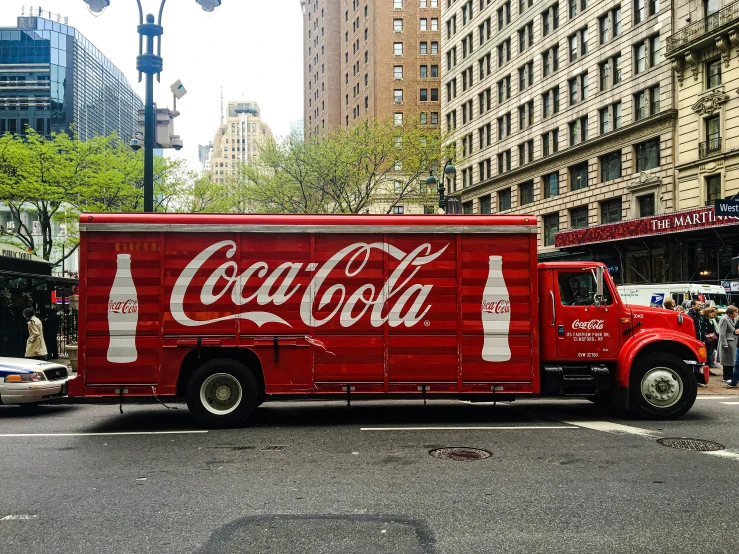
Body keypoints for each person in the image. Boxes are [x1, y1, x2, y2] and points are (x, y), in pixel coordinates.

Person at [687, 300, 709, 386]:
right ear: (693, 306)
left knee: (700, 361)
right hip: (694, 340)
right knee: (694, 361)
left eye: (701, 305)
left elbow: (702, 328)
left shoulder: (700, 316)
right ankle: (694, 380)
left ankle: (697, 379)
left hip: (700, 340)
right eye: (698, 305)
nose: (700, 306)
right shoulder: (689, 316)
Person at [719, 306, 739, 383]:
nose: (737, 314)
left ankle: (730, 376)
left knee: (731, 360)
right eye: (735, 312)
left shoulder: (734, 319)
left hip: (734, 342)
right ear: (731, 313)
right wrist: (724, 344)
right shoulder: (724, 319)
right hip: (728, 342)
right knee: (727, 360)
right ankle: (726, 377)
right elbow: (722, 333)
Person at [703, 306, 720, 374]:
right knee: (708, 355)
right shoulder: (704, 321)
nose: (713, 314)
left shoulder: (713, 320)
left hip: (713, 340)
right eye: (711, 312)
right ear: (707, 313)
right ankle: (707, 370)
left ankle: (708, 369)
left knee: (710, 354)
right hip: (708, 340)